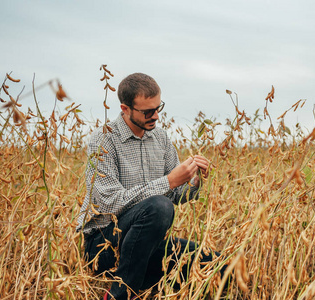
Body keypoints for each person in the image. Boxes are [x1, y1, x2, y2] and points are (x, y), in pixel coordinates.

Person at [77, 73, 222, 300]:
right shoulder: (103, 140)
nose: (155, 116)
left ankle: (144, 279)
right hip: (103, 245)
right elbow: (110, 203)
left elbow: (176, 195)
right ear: (125, 109)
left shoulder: (161, 138)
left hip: (146, 245)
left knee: (217, 264)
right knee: (159, 207)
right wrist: (168, 181)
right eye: (148, 111)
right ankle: (120, 294)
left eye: (158, 108)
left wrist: (194, 181)